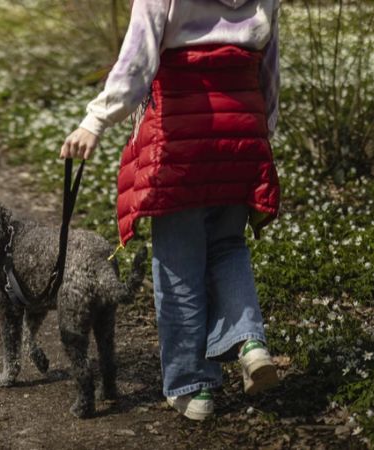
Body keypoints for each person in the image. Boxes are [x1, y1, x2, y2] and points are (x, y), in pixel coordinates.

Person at [59, 0, 281, 420]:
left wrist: (95, 121)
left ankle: (192, 388)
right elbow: (269, 67)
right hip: (242, 138)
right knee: (229, 247)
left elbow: (136, 64)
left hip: (179, 143)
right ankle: (251, 343)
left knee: (178, 268)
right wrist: (262, 133)